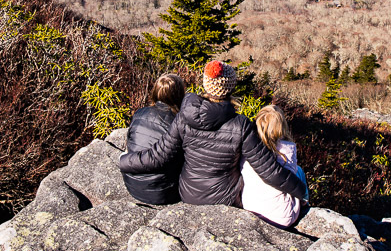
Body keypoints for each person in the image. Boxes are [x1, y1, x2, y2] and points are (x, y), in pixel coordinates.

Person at [119, 60, 307, 206]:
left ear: (206, 85)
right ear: (231, 88)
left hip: (188, 194)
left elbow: (159, 156)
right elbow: (268, 170)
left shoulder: (184, 116)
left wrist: (124, 161)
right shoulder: (240, 124)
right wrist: (301, 191)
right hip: (224, 198)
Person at [121, 73, 186, 205]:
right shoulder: (179, 123)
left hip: (132, 184)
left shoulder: (140, 113)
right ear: (180, 95)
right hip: (163, 192)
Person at [241, 105, 308, 227]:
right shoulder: (287, 150)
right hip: (281, 217)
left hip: (250, 207)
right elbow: (291, 181)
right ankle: (305, 201)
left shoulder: (247, 149)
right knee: (299, 171)